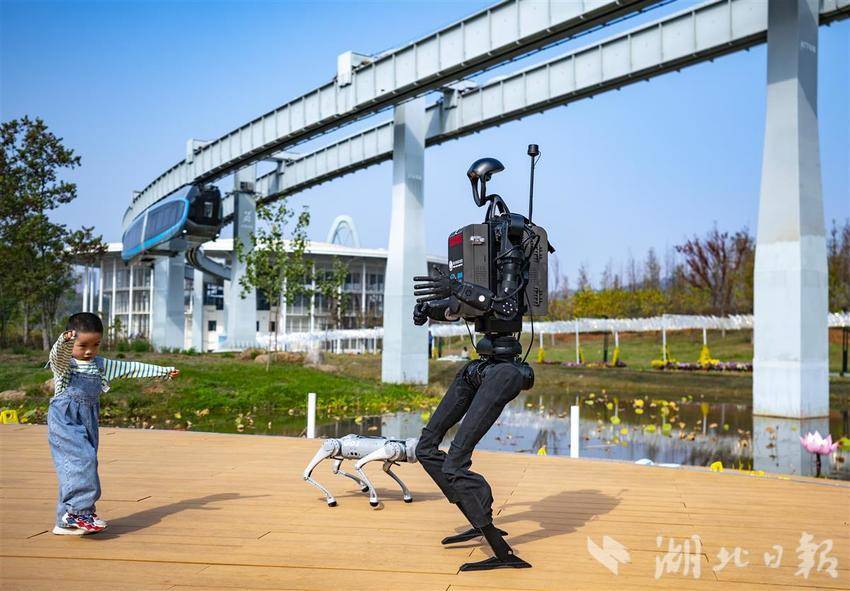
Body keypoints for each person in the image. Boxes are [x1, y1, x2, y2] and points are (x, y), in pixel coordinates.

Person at [47, 312, 179, 535]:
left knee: (75, 466)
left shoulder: (100, 365)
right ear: (71, 342)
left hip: (88, 419)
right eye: (82, 345)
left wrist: (163, 372)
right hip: (65, 419)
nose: (89, 351)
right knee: (82, 461)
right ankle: (80, 513)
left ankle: (65, 521)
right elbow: (56, 355)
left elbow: (132, 368)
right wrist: (64, 341)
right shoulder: (64, 366)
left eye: (95, 344)